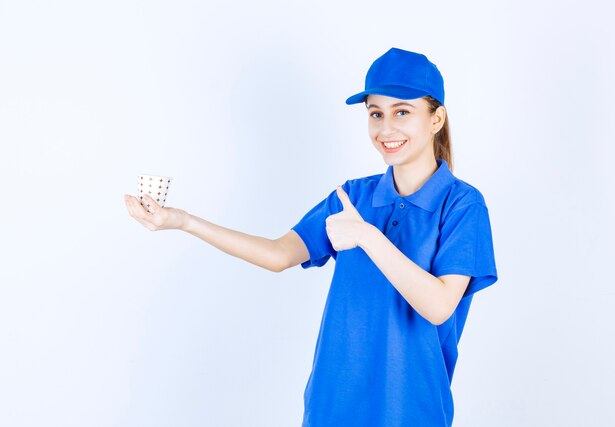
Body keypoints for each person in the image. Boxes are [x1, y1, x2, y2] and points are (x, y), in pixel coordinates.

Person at [123, 47, 498, 427]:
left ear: (436, 119)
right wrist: (184, 221)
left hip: (412, 410)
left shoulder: (463, 204)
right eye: (375, 114)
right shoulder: (354, 197)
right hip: (333, 405)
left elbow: (438, 306)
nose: (386, 129)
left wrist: (368, 236)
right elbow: (278, 254)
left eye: (403, 111)